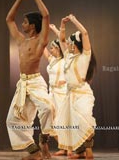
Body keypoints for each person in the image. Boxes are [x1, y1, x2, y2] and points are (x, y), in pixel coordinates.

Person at [6, 0, 55, 160]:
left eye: (25, 22)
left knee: (48, 108)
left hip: (35, 82)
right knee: (12, 120)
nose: (22, 24)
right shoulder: (21, 41)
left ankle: (44, 140)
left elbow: (46, 15)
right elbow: (9, 19)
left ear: (32, 26)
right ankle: (34, 152)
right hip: (22, 84)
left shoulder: (41, 41)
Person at [56, 14, 97, 159]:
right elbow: (61, 39)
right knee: (71, 124)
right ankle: (80, 152)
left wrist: (74, 20)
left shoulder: (85, 56)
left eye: (70, 42)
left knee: (83, 121)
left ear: (76, 44)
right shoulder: (68, 55)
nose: (68, 44)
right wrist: (62, 25)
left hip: (82, 93)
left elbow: (84, 33)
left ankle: (88, 148)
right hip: (70, 95)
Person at [43, 24, 71, 156]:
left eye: (53, 48)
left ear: (59, 49)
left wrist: (55, 30)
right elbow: (43, 49)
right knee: (52, 120)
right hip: (52, 93)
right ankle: (63, 146)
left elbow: (63, 41)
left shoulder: (66, 59)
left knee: (63, 120)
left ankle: (68, 147)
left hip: (62, 93)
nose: (51, 50)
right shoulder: (52, 61)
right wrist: (40, 35)